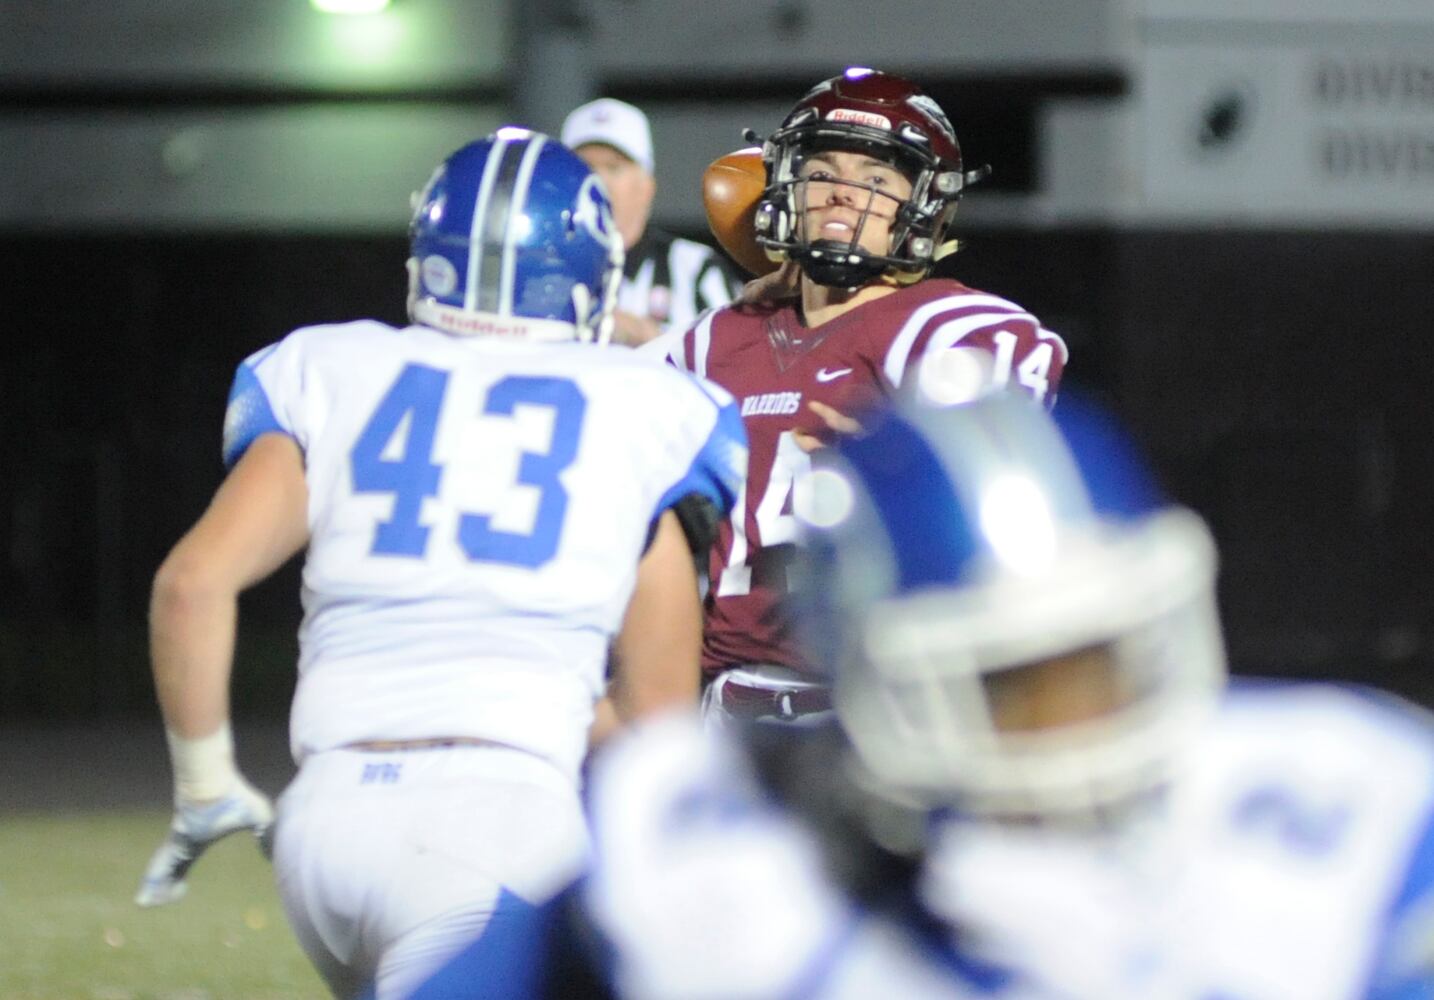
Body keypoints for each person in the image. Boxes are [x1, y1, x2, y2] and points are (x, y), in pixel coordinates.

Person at [132, 130, 746, 1000]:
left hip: (326, 822)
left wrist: (203, 782)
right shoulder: (649, 409)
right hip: (495, 821)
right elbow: (655, 724)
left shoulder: (333, 367)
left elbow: (190, 585)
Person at [582, 389, 1434, 999]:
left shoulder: (1355, 814)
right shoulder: (720, 857)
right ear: (876, 684)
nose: (1089, 720)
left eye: (1109, 658)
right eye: (1019, 685)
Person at [671, 67, 1069, 726]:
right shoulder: (711, 340)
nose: (842, 196)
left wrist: (903, 445)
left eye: (877, 181)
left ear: (923, 207)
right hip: (720, 708)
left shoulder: (941, 323)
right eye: (823, 171)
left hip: (879, 708)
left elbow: (1006, 427)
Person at [560, 97, 742, 349]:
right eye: (585, 167)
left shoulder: (694, 269)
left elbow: (731, 363)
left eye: (614, 168)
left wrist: (647, 338)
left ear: (646, 187)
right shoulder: (540, 266)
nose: (598, 181)